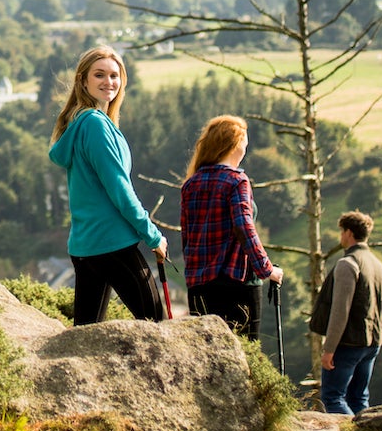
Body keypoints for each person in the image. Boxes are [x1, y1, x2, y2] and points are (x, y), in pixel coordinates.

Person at [48, 46, 166, 324]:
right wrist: (153, 235)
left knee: (85, 336)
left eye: (114, 75)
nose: (108, 82)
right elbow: (119, 189)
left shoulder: (81, 123)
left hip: (85, 246)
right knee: (156, 324)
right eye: (99, 74)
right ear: (83, 80)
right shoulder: (95, 126)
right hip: (113, 244)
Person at [179, 116, 282, 335]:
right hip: (236, 283)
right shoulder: (237, 181)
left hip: (199, 284)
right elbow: (244, 227)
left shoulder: (191, 184)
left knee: (207, 354)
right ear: (236, 144)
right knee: (244, 354)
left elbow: (187, 238)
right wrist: (267, 269)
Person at [309, 210, 382, 416]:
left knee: (332, 397)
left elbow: (340, 310)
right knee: (359, 397)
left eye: (342, 231)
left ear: (348, 233)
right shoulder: (378, 265)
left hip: (347, 343)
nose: (341, 236)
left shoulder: (348, 264)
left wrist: (329, 349)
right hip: (372, 342)